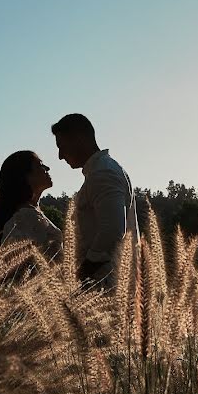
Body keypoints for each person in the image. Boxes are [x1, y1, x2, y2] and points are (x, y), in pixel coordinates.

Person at [52, 114, 138, 284]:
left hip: (105, 284)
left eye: (62, 146)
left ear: (79, 139)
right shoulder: (100, 171)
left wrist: (82, 274)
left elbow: (112, 231)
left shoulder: (103, 173)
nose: (60, 156)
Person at [0, 150, 62, 259]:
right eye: (40, 165)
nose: (47, 169)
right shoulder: (23, 220)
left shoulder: (29, 215)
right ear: (25, 176)